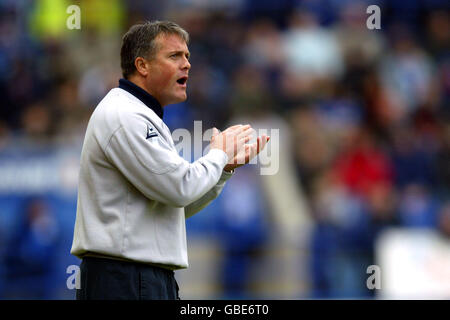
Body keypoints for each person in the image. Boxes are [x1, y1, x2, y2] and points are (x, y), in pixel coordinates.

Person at [70, 20, 269, 300]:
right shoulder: (124, 114)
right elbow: (180, 188)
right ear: (142, 66)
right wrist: (218, 153)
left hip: (142, 278)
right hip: (123, 279)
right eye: (175, 56)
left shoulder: (141, 114)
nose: (186, 64)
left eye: (187, 56)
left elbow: (175, 205)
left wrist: (222, 169)